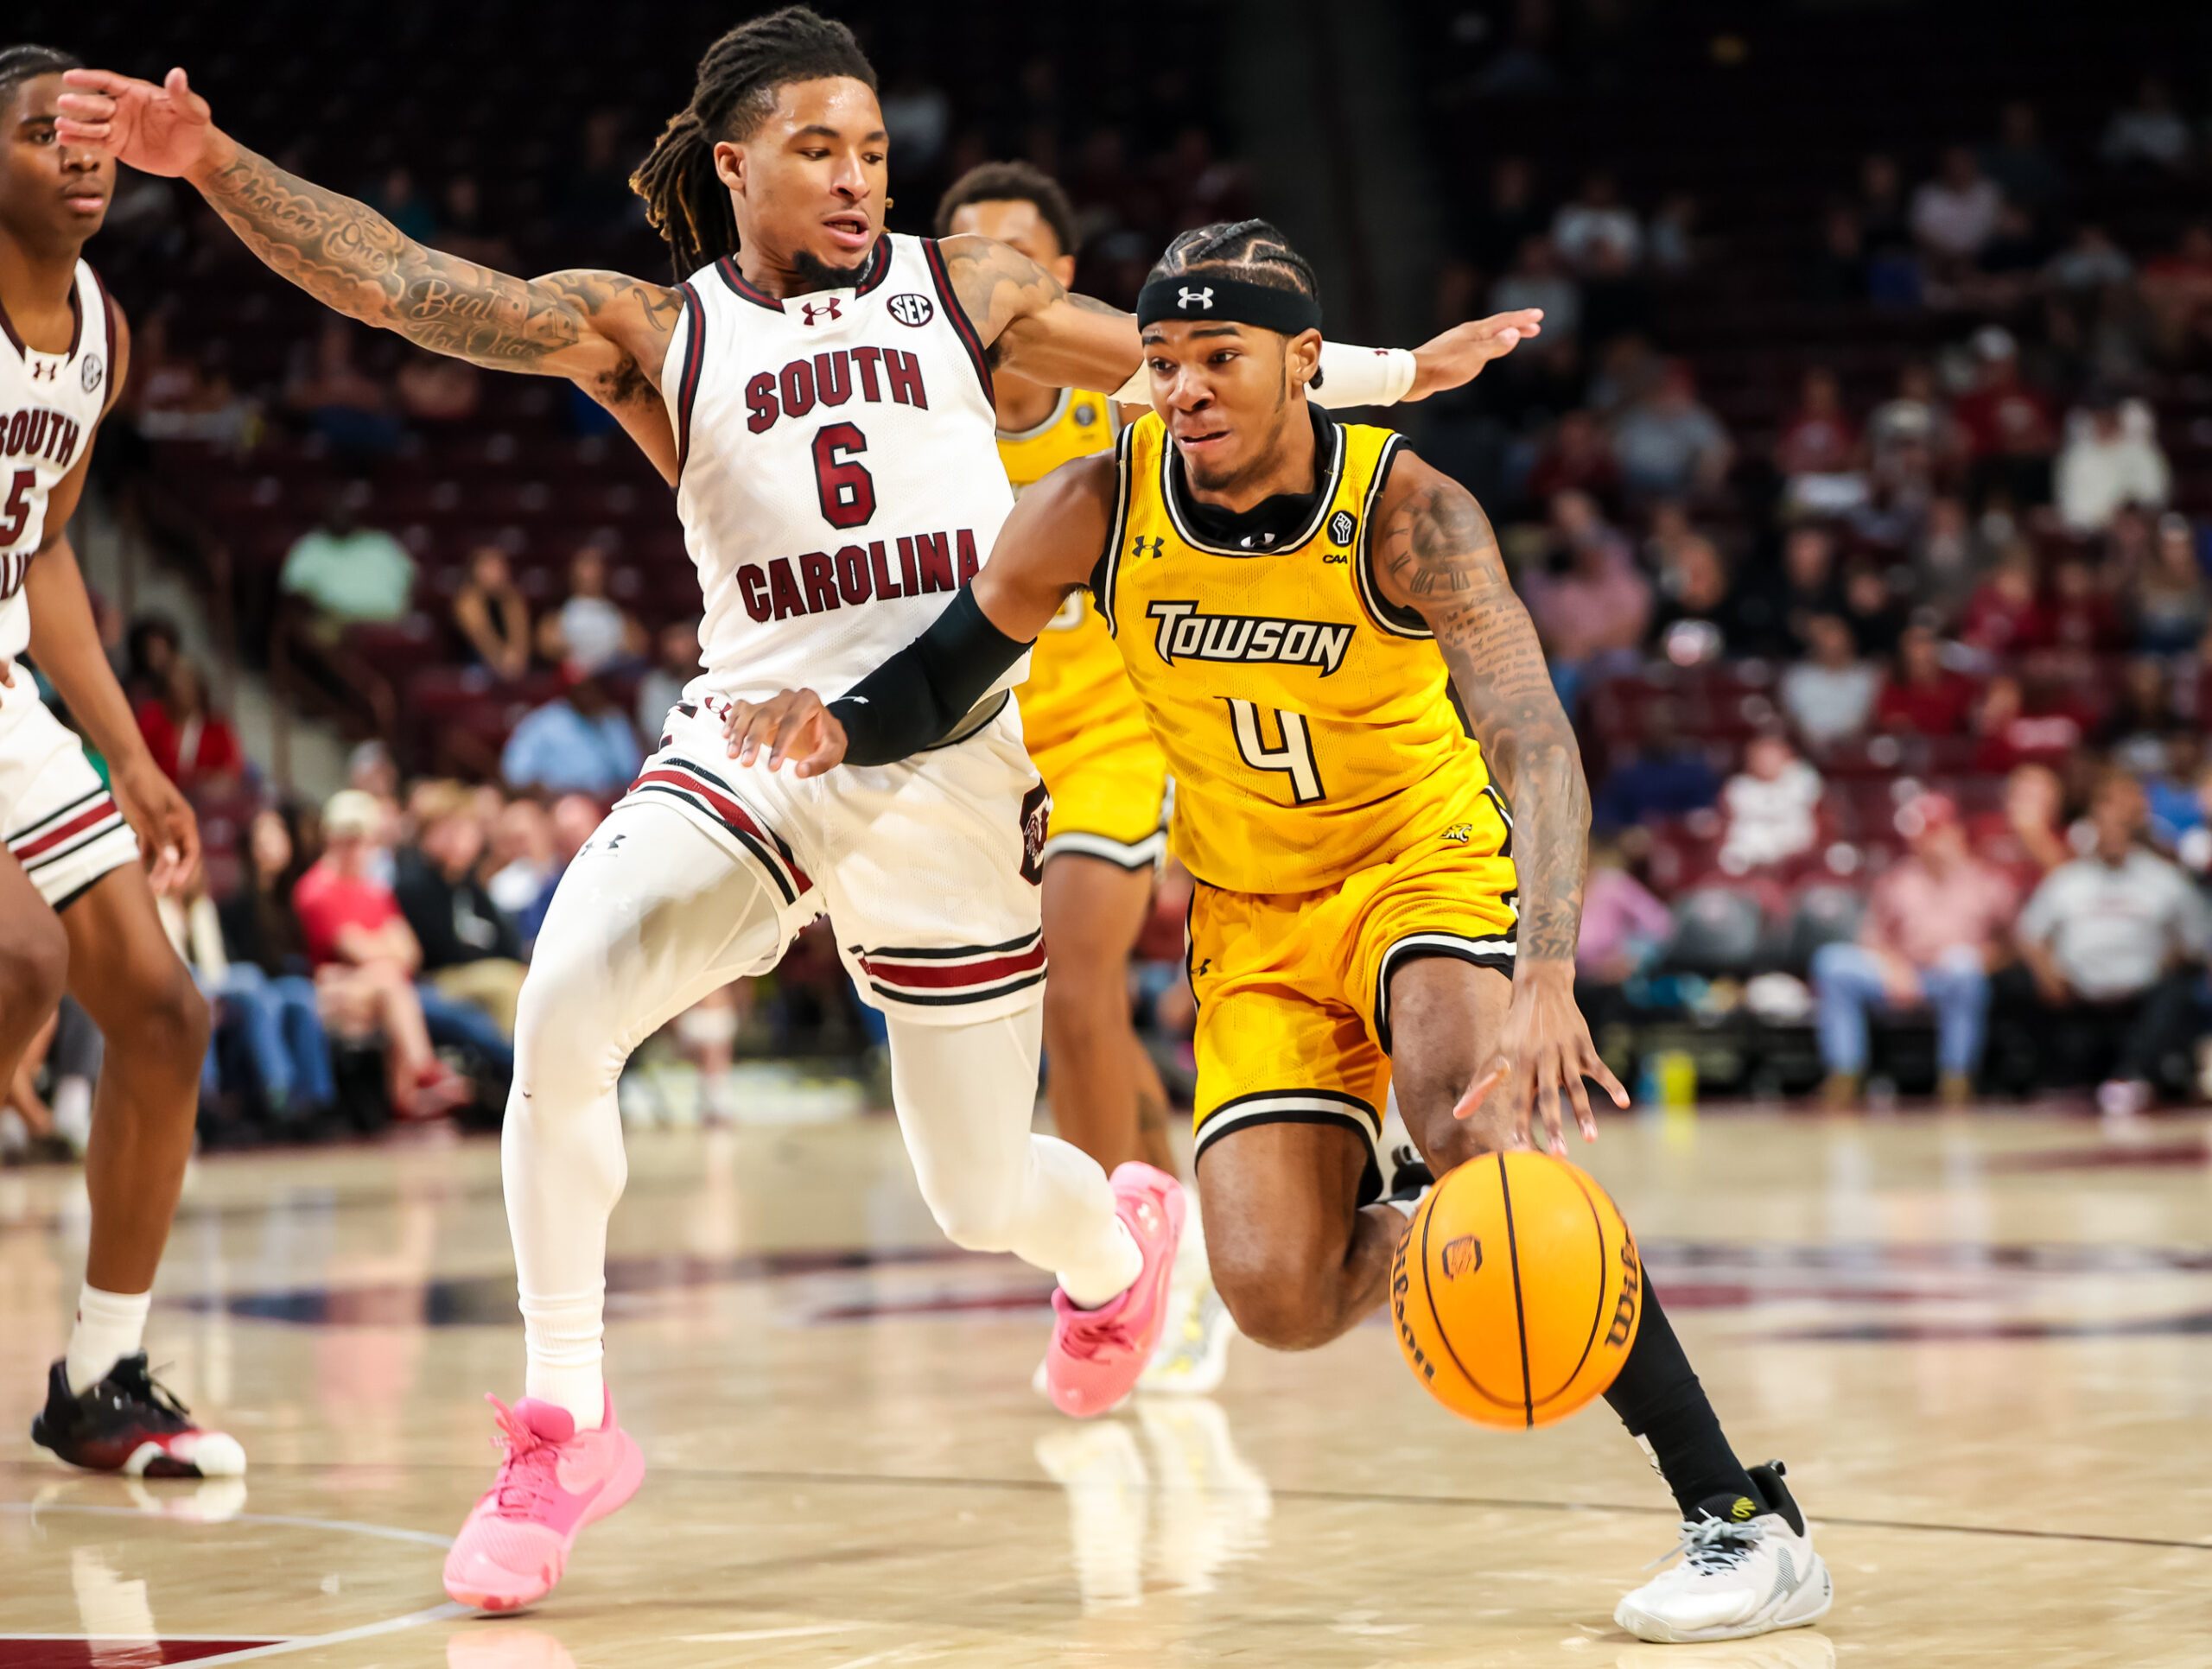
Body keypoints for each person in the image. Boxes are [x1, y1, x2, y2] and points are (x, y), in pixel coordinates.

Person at [57, 9, 1524, 1611]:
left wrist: (1388, 374)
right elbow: (405, 285)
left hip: (961, 765)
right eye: (819, 149)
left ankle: (1118, 1246)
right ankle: (567, 1424)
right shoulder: (654, 328)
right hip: (761, 744)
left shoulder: (963, 282)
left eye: (877, 149)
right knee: (564, 1001)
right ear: (736, 162)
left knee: (979, 1193)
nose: (856, 178)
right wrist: (206, 164)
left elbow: (1155, 355)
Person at [722, 220, 1833, 1646]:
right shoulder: (1092, 504)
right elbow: (950, 659)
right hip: (1251, 913)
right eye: (1164, 358)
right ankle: (1458, 1232)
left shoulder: (1408, 508)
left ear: (1307, 364)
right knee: (1277, 1294)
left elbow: (1533, 738)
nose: (1181, 386)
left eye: (1218, 358)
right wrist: (839, 720)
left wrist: (1545, 967)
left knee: (1462, 1105)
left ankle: (1737, 1514)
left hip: (1414, 865)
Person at [935, 159, 1227, 1392]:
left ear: (1058, 281)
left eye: (1011, 253)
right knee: (1056, 1030)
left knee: (1077, 984)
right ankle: (1178, 1243)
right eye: (961, 252)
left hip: (1118, 736)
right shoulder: (908, 412)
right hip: (985, 754)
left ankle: (1115, 1277)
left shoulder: (1126, 408)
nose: (983, 274)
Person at [0, 44, 238, 1477]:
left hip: (6, 674)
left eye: (94, 135)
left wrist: (132, 756)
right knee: (21, 962)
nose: (80, 158)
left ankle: (101, 1372)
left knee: (163, 1014)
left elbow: (47, 555)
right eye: (40, 135)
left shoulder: (100, 323)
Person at [2016, 777, 2208, 1117]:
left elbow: (2196, 941)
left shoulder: (2163, 878)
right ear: (2092, 831)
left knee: (2178, 990)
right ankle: (2046, 1077)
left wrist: (2170, 961)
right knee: (2013, 982)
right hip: (2078, 994)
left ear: (2130, 831)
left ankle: (2132, 1076)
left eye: (2118, 827)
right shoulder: (2067, 879)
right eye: (2103, 827)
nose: (2111, 835)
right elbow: (2030, 934)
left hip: (2143, 994)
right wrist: (2048, 973)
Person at [1810, 793, 2018, 1107]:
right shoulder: (1898, 879)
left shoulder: (1986, 881)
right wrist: (1894, 967)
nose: (1926, 842)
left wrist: (1986, 958)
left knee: (1965, 970)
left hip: (1953, 976)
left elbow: (2012, 943)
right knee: (1833, 963)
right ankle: (1845, 1073)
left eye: (1934, 832)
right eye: (1921, 835)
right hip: (1904, 972)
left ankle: (1956, 1079)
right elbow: (1872, 938)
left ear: (1953, 832)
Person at [394, 780, 527, 1037]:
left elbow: (506, 943)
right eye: (453, 829)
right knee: (506, 986)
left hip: (484, 974)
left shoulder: (469, 885)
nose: (465, 839)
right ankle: (515, 1068)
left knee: (530, 982)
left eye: (468, 830)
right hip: (438, 981)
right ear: (429, 833)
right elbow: (439, 952)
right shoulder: (414, 884)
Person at [277, 484, 416, 628]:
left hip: (389, 624)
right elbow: (292, 593)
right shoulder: (309, 547)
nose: (341, 513)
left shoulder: (382, 544)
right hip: (336, 627)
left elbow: (412, 582)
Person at [499, 670, 642, 797]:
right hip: (562, 801)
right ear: (568, 691)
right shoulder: (545, 721)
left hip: (610, 799)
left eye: (591, 686)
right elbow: (515, 773)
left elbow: (631, 771)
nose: (587, 693)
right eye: (580, 688)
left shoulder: (612, 719)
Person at [132, 654, 245, 794]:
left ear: (197, 688)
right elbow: (136, 762)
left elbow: (230, 772)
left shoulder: (216, 727)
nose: (179, 690)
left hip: (206, 804)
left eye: (185, 683)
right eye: (174, 684)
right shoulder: (152, 720)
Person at [1717, 733, 1823, 874]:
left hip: (1797, 859)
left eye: (1772, 757)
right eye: (1760, 758)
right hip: (1748, 861)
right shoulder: (1738, 788)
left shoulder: (1802, 783)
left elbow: (1822, 824)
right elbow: (1725, 827)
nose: (1766, 762)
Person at [535, 543, 644, 675]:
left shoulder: (619, 614)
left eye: (594, 565)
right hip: (574, 678)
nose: (590, 573)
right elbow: (547, 646)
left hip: (610, 675)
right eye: (585, 565)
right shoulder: (557, 615)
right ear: (572, 572)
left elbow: (638, 646)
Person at [1779, 612, 1878, 747]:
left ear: (1850, 640)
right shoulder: (1796, 677)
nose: (1831, 644)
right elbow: (1792, 719)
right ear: (1814, 642)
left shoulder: (1868, 676)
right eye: (1825, 637)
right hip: (1807, 749)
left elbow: (1868, 719)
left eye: (1836, 636)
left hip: (1856, 751)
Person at [451, 544, 531, 683]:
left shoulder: (512, 598)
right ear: (474, 571)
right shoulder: (466, 601)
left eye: (499, 566)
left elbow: (520, 641)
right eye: (489, 566)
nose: (496, 572)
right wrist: (504, 662)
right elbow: (485, 642)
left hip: (511, 670)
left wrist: (515, 662)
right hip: (472, 669)